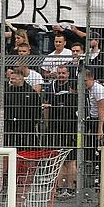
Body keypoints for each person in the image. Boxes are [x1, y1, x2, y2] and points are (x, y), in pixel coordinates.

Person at [43, 65, 77, 197]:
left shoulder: (73, 87)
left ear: (68, 74)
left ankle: (71, 188)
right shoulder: (51, 87)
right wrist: (48, 125)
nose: (61, 75)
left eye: (63, 73)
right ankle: (59, 188)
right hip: (55, 129)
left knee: (71, 160)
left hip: (71, 130)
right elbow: (46, 106)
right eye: (59, 73)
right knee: (58, 159)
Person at [85, 69, 104, 185]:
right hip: (95, 120)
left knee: (102, 150)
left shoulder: (98, 89)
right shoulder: (91, 89)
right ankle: (98, 176)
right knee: (94, 150)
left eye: (85, 80)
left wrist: (99, 129)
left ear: (91, 78)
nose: (84, 83)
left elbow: (101, 109)